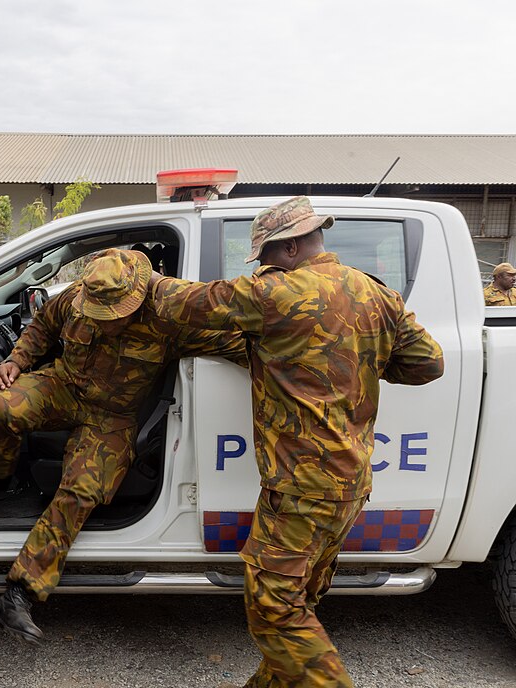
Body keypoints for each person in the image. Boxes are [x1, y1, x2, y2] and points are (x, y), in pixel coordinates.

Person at [154, 197, 445, 687]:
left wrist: (135, 270)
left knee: (273, 609)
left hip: (300, 489)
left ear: (289, 247)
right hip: (349, 485)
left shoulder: (275, 295)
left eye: (266, 255)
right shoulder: (376, 294)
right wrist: (361, 360)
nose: (264, 265)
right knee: (297, 605)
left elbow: (184, 304)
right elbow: (427, 363)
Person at [0, 248, 247, 643]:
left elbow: (234, 342)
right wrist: (17, 361)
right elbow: (43, 326)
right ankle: (0, 481)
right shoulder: (77, 296)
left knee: (80, 492)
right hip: (64, 386)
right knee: (1, 408)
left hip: (112, 417)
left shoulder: (167, 315)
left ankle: (18, 594)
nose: (106, 322)